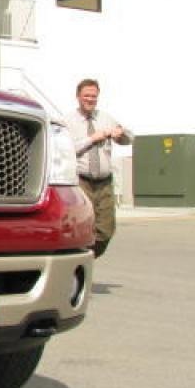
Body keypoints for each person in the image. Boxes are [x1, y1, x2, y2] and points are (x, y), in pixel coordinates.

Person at [64, 78, 131, 258]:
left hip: (104, 182)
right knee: (82, 226)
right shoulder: (68, 121)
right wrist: (92, 138)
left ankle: (87, 259)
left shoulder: (105, 118)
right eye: (86, 95)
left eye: (94, 96)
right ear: (78, 96)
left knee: (106, 230)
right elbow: (65, 149)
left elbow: (129, 139)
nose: (90, 99)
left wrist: (120, 133)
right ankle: (76, 263)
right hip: (81, 180)